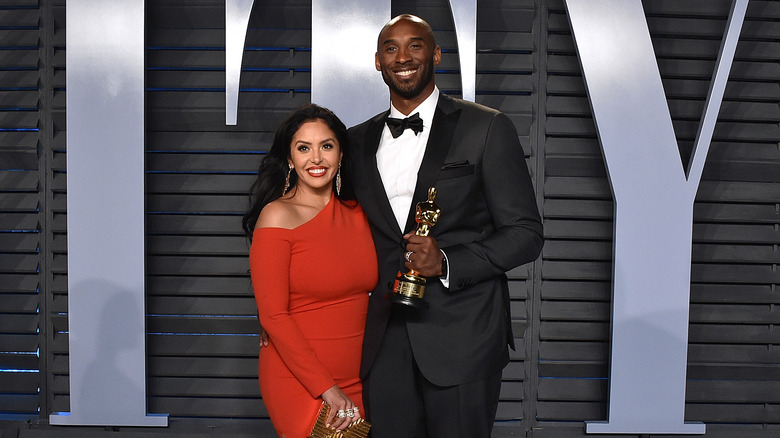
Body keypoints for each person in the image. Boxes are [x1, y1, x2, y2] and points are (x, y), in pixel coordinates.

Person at [347, 14, 544, 437]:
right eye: (391, 48)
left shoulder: (486, 127)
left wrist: (448, 262)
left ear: (435, 54)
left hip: (463, 340)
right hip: (380, 343)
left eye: (415, 45)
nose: (403, 57)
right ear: (378, 62)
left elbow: (525, 233)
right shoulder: (353, 141)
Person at [243, 104, 378, 437]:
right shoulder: (277, 216)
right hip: (303, 380)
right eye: (304, 148)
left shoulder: (361, 213)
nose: (316, 158)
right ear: (290, 159)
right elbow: (273, 316)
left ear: (341, 153)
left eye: (326, 146)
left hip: (361, 376)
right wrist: (328, 390)